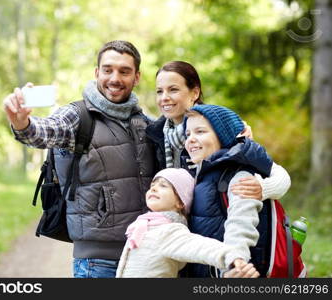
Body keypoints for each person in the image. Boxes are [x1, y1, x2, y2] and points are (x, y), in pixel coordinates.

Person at [3, 40, 157, 278]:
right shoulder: (77, 116)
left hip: (145, 256)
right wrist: (21, 122)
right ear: (97, 73)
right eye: (108, 70)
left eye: (124, 71)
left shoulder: (144, 122)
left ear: (136, 77)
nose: (115, 78)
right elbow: (45, 131)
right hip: (98, 261)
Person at [146, 61, 290, 204]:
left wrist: (263, 188)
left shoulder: (219, 126)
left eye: (173, 89)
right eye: (159, 91)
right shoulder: (154, 134)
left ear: (195, 93)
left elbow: (279, 176)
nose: (164, 97)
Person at [183, 104, 287, 277]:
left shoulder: (238, 177)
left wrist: (234, 262)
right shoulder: (202, 174)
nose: (191, 139)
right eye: (188, 134)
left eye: (200, 132)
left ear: (223, 137)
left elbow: (240, 224)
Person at [116, 168, 260, 278]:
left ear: (180, 202)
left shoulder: (170, 231)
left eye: (163, 186)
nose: (153, 188)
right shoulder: (144, 225)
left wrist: (231, 256)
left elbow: (200, 247)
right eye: (153, 185)